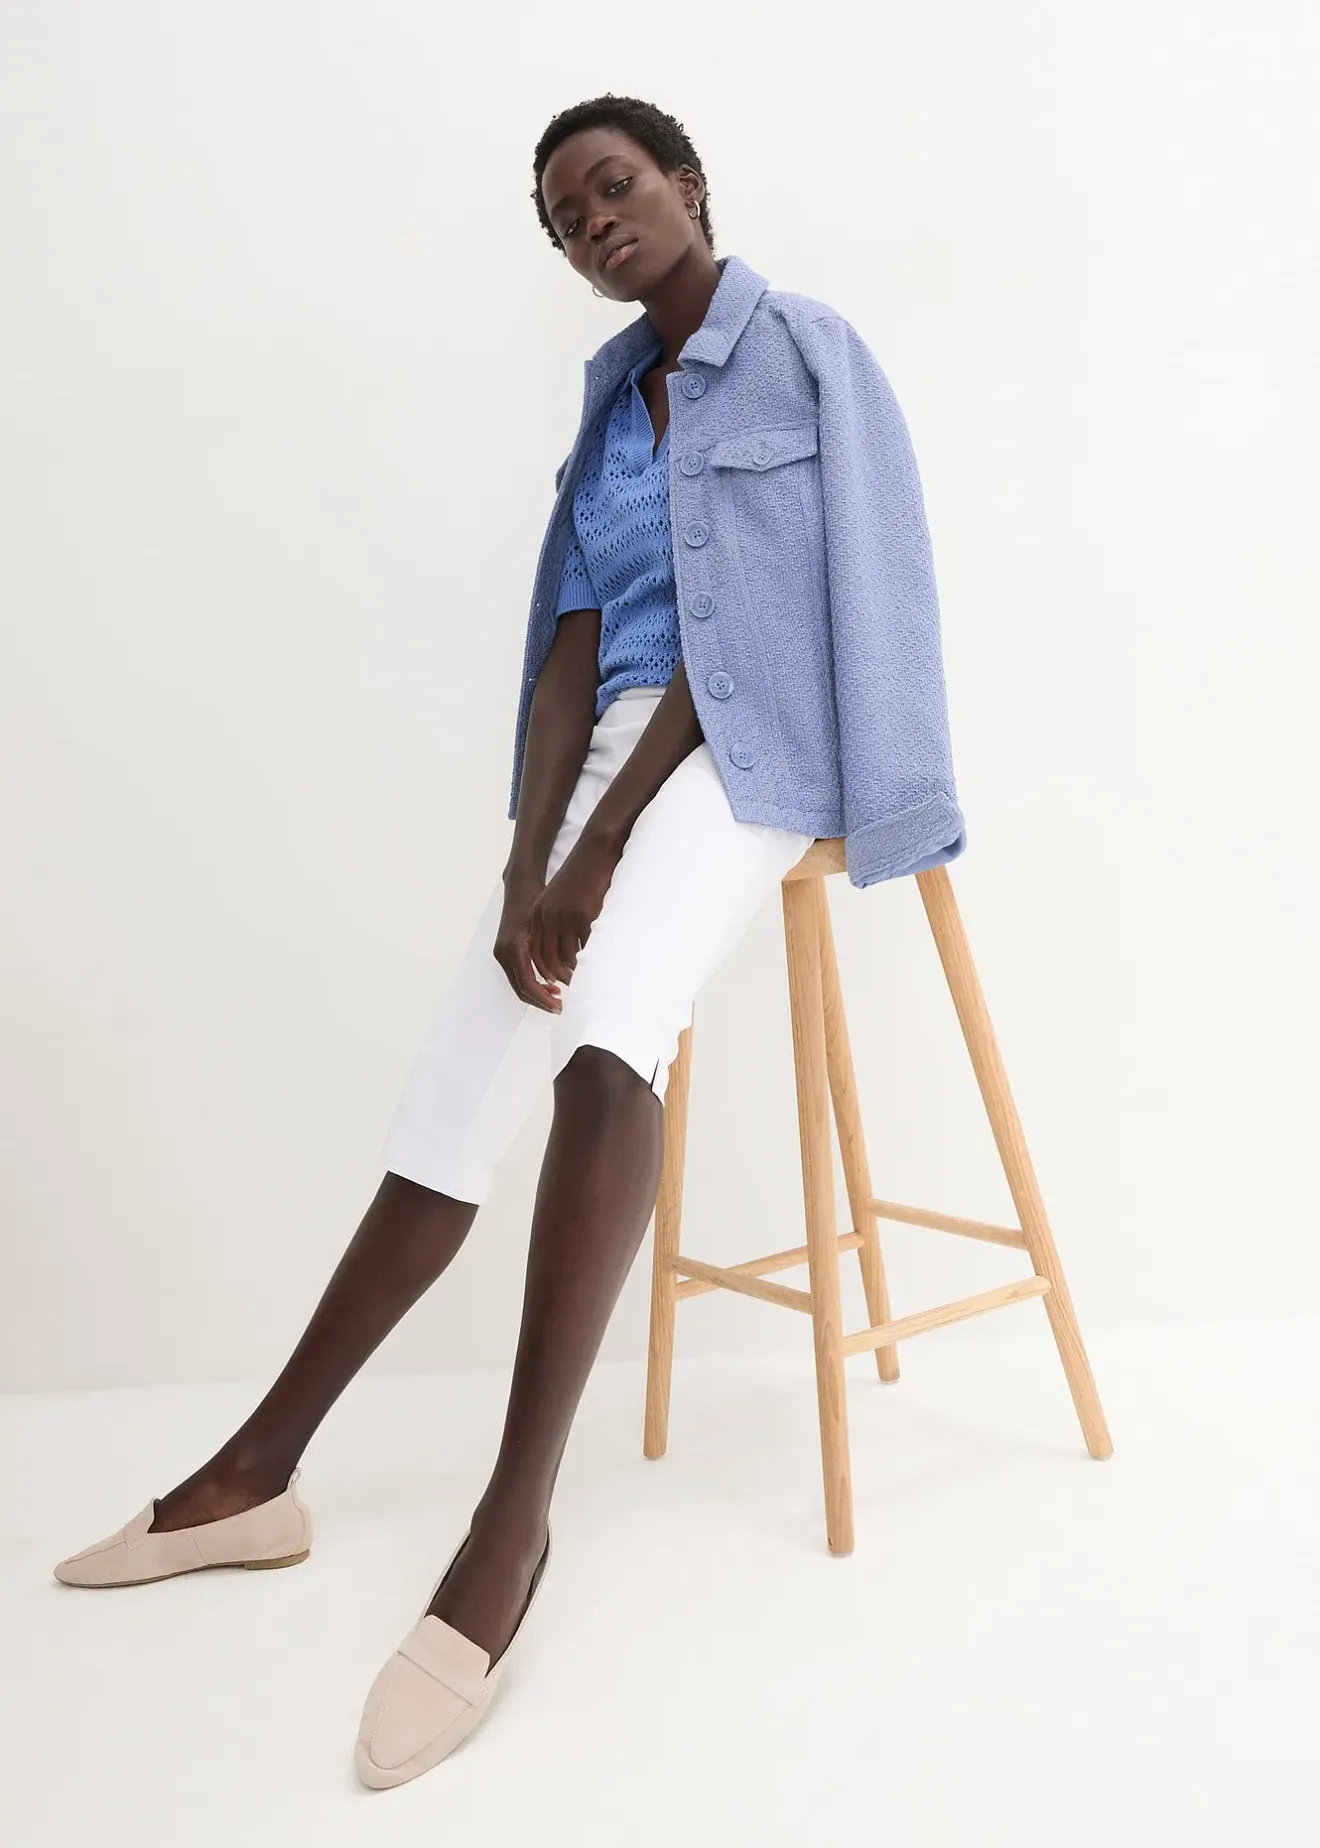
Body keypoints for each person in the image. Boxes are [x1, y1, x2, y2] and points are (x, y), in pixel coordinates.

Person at [51, 94, 966, 1788]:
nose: (595, 223)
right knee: (463, 1073)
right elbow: (568, 650)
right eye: (566, 217)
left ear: (687, 186)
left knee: (609, 1035)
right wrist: (523, 864)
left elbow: (771, 625)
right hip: (618, 750)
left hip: (756, 750)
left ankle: (510, 1529)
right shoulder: (608, 406)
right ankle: (258, 1470)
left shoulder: (801, 351)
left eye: (614, 187)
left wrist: (600, 854)